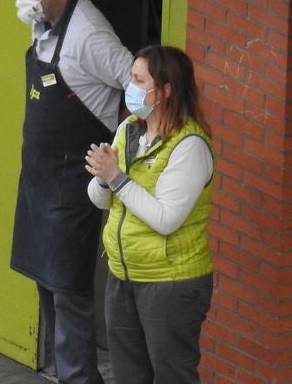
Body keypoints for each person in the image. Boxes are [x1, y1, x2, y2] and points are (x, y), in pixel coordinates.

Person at [8, 0, 133, 384]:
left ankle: (79, 379)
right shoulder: (43, 19)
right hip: (39, 174)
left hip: (72, 181)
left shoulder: (89, 36)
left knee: (69, 292)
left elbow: (136, 82)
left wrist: (125, 147)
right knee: (46, 282)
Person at [85, 45, 214, 384]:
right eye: (132, 78)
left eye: (139, 80)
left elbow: (166, 219)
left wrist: (115, 177)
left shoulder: (190, 146)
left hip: (170, 283)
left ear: (166, 90)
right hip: (123, 274)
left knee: (172, 376)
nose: (131, 86)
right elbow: (101, 200)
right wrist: (103, 177)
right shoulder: (129, 128)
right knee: (128, 375)